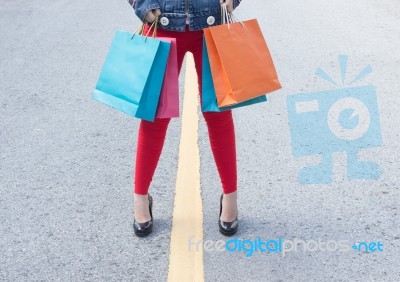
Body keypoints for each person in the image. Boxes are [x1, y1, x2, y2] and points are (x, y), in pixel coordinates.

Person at [128, 0, 242, 237]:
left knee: (218, 113)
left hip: (211, 23)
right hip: (162, 21)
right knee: (154, 116)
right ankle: (140, 199)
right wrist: (142, 5)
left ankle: (230, 198)